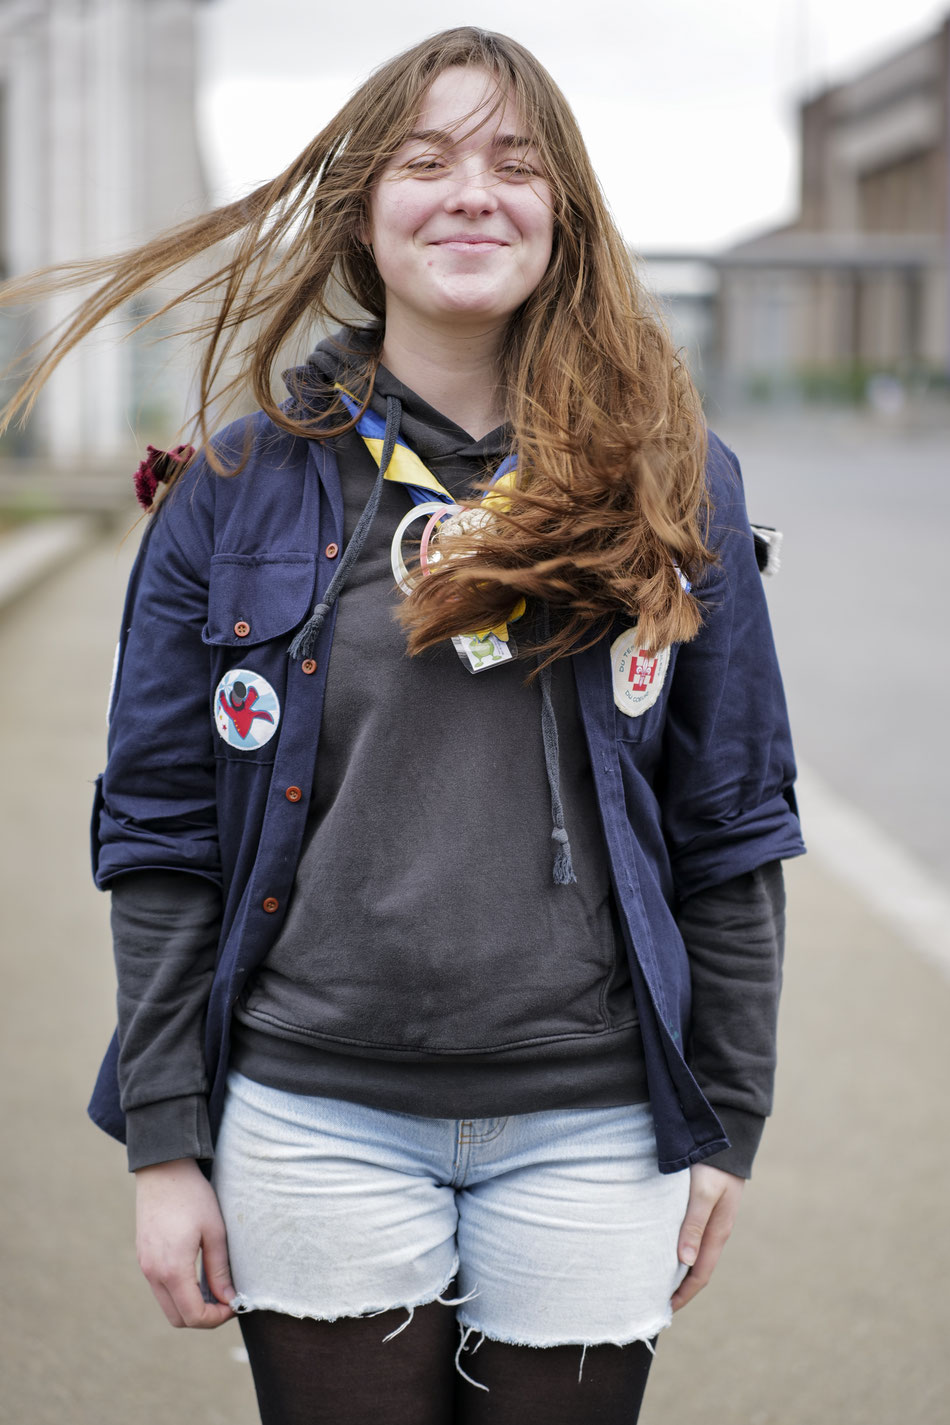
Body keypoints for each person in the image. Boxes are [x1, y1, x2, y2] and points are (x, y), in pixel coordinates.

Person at [1, 27, 804, 1425]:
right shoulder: (239, 482)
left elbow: (731, 818)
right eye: (424, 162)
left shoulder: (669, 473)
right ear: (365, 213)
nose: (470, 193)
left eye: (514, 163)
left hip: (594, 1121)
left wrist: (726, 1119)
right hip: (313, 1117)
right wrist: (166, 1145)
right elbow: (162, 832)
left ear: (563, 215)